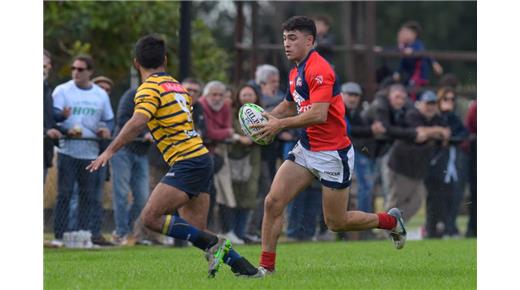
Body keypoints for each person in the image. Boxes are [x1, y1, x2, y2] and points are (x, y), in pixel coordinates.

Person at [86, 34, 258, 277]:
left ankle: (215, 245)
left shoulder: (148, 89)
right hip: (200, 157)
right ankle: (246, 270)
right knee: (197, 231)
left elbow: (139, 119)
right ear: (165, 60)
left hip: (188, 161)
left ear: (137, 63)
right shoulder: (178, 87)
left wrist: (109, 150)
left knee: (151, 218)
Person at [250, 16, 407, 276]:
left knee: (336, 222)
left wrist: (279, 126)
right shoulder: (295, 71)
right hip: (306, 147)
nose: (286, 44)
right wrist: (266, 117)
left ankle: (391, 221)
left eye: (292, 38)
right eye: (284, 38)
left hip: (333, 154)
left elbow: (318, 114)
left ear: (309, 41)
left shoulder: (319, 70)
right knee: (273, 202)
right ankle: (266, 268)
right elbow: (289, 104)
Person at [51, 55, 114, 246]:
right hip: (67, 150)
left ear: (90, 72)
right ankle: (59, 236)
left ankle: (83, 234)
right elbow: (51, 116)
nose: (75, 72)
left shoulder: (100, 94)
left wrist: (107, 130)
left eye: (80, 69)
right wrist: (64, 123)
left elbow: (109, 118)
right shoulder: (62, 90)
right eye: (73, 68)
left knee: (87, 194)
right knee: (65, 193)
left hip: (90, 152)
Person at [386, 91, 451, 224]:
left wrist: (433, 132)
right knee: (396, 201)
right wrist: (437, 131)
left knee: (417, 202)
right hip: (401, 167)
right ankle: (386, 230)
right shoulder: (412, 114)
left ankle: (394, 226)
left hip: (418, 169)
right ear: (420, 104)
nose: (431, 107)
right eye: (428, 103)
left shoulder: (436, 119)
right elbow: (420, 133)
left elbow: (446, 135)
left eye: (433, 103)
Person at [341, 82, 387, 240]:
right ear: (341, 95)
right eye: (350, 94)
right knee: (364, 189)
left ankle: (359, 230)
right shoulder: (340, 110)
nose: (353, 98)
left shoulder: (357, 112)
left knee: (365, 190)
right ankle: (361, 230)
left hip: (356, 154)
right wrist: (372, 130)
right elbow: (348, 130)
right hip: (350, 154)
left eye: (356, 95)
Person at [110, 87, 154, 245]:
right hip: (123, 150)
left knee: (142, 198)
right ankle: (121, 233)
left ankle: (127, 231)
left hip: (142, 153)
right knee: (121, 194)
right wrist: (144, 134)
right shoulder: (132, 95)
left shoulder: (161, 98)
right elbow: (122, 120)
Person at [423, 87, 468, 238]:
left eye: (452, 99)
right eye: (445, 99)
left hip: (449, 164)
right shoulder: (435, 117)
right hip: (433, 163)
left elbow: (463, 133)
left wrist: (450, 137)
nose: (449, 102)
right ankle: (432, 230)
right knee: (434, 198)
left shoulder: (452, 117)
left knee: (451, 195)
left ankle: (448, 228)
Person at [226, 84, 262, 243]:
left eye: (250, 95)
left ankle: (242, 232)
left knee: (250, 194)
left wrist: (253, 138)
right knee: (234, 194)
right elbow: (232, 130)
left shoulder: (261, 113)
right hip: (234, 157)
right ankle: (232, 231)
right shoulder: (232, 114)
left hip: (253, 158)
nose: (247, 98)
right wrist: (243, 138)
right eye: (244, 95)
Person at [393, 21, 443, 100]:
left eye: (405, 32)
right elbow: (401, 61)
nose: (402, 34)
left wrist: (434, 63)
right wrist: (398, 71)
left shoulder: (417, 44)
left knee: (416, 94)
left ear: (414, 34)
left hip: (419, 78)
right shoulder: (402, 46)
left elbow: (424, 53)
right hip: (409, 78)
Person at [43, 50, 62, 183]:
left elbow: (49, 121)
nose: (48, 68)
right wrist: (46, 131)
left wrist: (65, 130)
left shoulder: (46, 88)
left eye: (47, 65)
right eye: (44, 65)